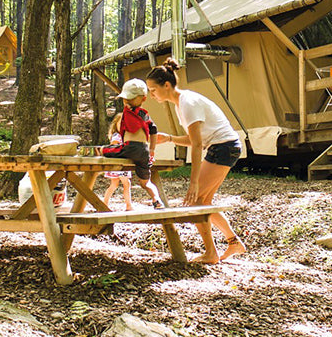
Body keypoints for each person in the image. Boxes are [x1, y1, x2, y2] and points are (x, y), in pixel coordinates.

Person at [145, 58, 245, 263]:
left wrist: (194, 182)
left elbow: (198, 145)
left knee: (197, 201)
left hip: (223, 147)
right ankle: (233, 242)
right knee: (204, 202)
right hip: (225, 146)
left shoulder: (187, 103)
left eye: (153, 90)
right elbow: (194, 140)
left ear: (166, 85)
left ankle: (211, 254)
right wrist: (170, 138)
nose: (151, 95)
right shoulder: (180, 103)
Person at [101, 79, 165, 209]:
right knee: (145, 183)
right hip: (143, 151)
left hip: (131, 147)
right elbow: (153, 129)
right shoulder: (143, 114)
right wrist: (151, 149)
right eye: (125, 99)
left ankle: (100, 150)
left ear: (143, 99)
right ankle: (156, 200)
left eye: (130, 99)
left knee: (110, 151)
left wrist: (153, 148)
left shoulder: (132, 112)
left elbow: (153, 130)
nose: (127, 102)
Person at [102, 117, 134, 211]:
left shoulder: (127, 136)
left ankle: (105, 204)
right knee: (125, 183)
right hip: (119, 164)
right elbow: (113, 147)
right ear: (116, 125)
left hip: (121, 164)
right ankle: (128, 206)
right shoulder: (117, 136)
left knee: (115, 184)